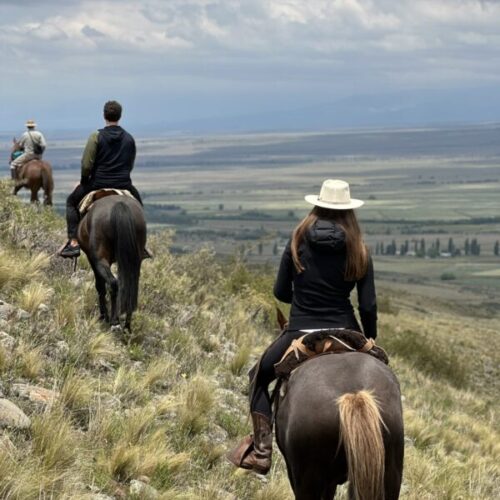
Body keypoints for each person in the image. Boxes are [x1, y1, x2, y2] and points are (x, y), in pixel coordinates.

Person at [227, 179, 377, 474]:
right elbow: (368, 305)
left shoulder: (297, 240)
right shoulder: (358, 247)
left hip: (301, 330)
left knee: (257, 376)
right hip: (347, 328)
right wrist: (369, 338)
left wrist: (305, 299)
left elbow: (280, 292)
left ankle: (261, 452)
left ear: (317, 205)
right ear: (348, 211)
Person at [59, 100, 144, 258]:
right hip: (123, 183)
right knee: (138, 206)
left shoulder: (96, 136)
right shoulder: (129, 138)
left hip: (98, 182)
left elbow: (86, 164)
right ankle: (141, 246)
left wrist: (85, 180)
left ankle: (73, 243)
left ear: (104, 115)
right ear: (120, 116)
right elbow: (130, 163)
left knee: (71, 202)